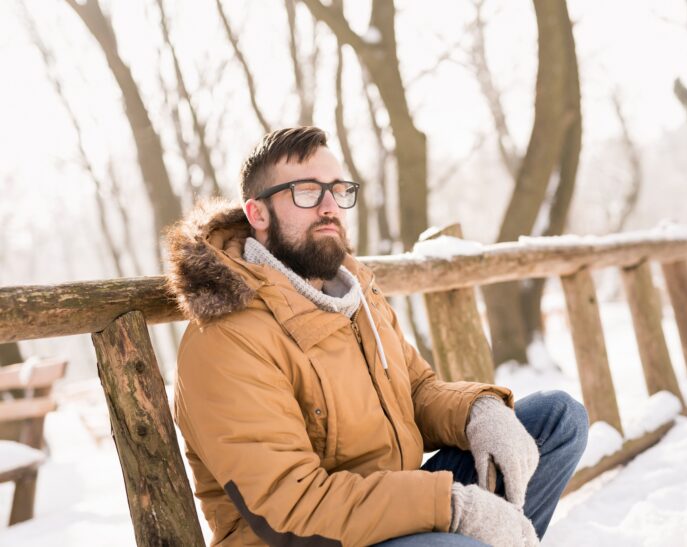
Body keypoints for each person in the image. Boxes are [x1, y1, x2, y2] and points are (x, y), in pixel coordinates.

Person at [167, 127, 588, 547]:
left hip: (384, 507)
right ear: (257, 214)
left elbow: (417, 390)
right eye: (307, 192)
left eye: (338, 190)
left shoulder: (353, 294)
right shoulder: (227, 336)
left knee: (557, 421)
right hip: (304, 536)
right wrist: (454, 508)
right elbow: (290, 507)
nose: (330, 206)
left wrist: (478, 412)